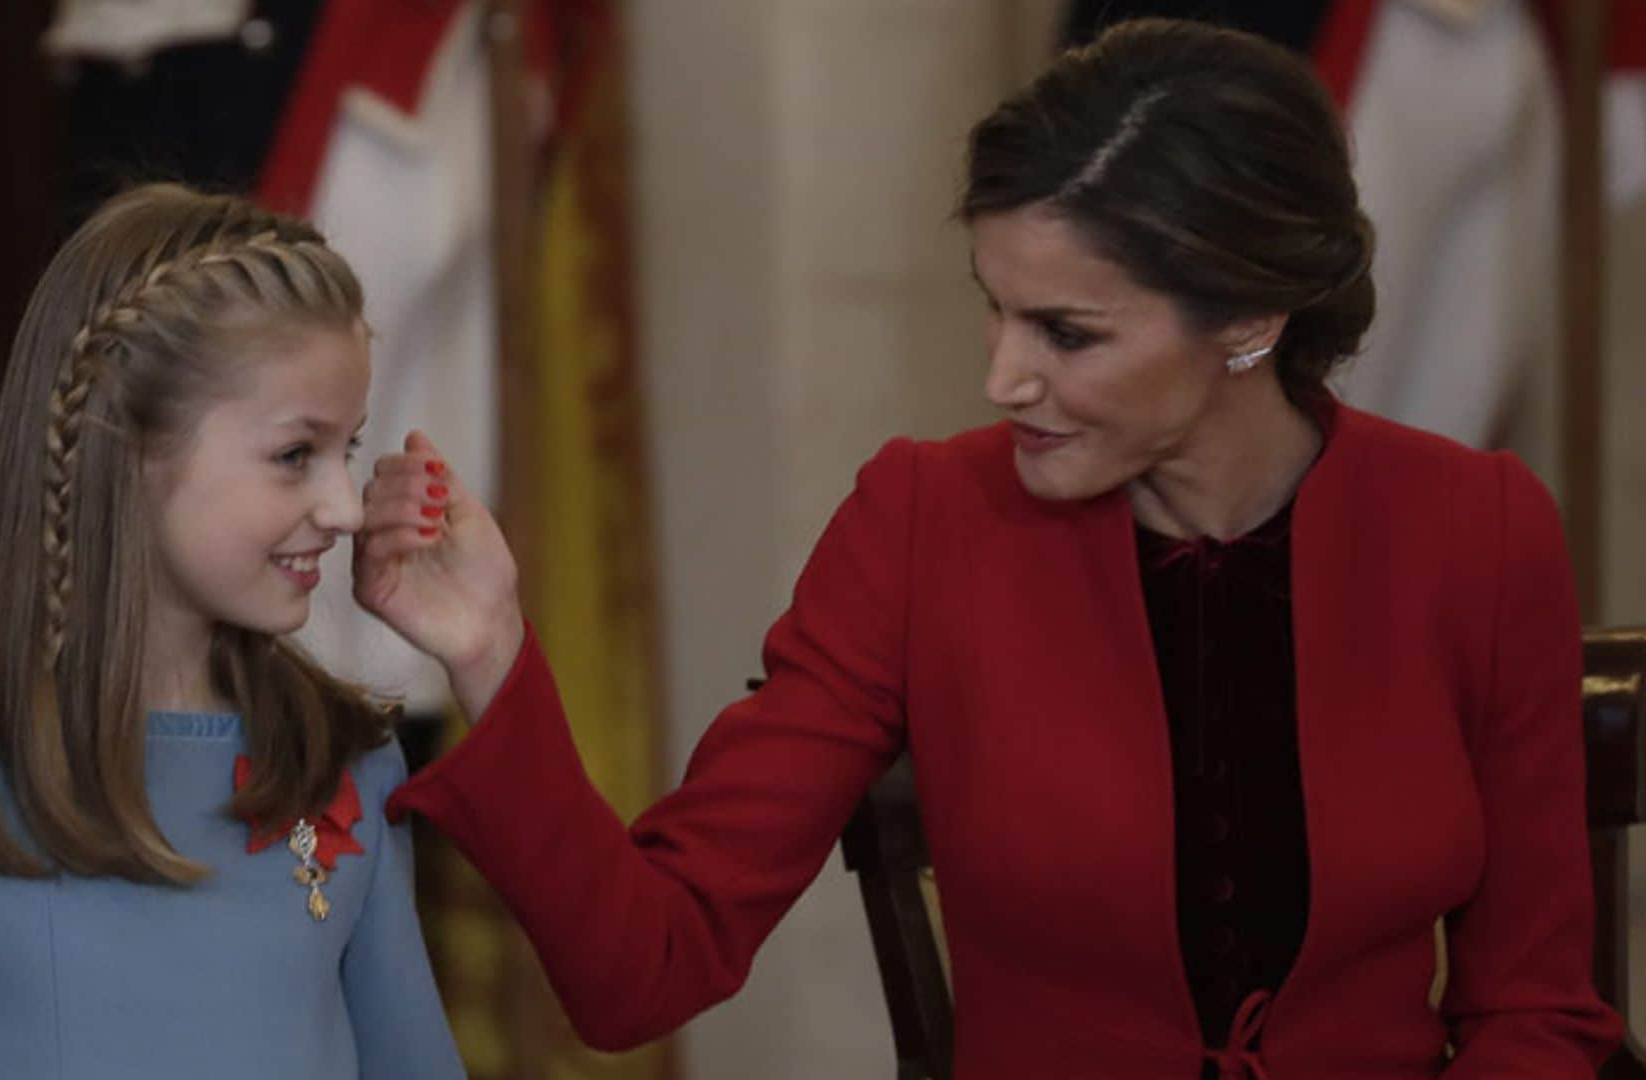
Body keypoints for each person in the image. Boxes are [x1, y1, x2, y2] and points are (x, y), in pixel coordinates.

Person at [353, 18, 1623, 1078]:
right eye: (996, 310)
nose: (1002, 376)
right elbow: (646, 968)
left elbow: (1536, 1014)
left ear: (1247, 318)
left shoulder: (1477, 529)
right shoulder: (923, 526)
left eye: (1067, 332)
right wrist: (488, 655)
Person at [0, 184, 465, 1080]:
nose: (343, 506)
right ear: (124, 448)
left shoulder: (348, 764)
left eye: (349, 449)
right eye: (296, 454)